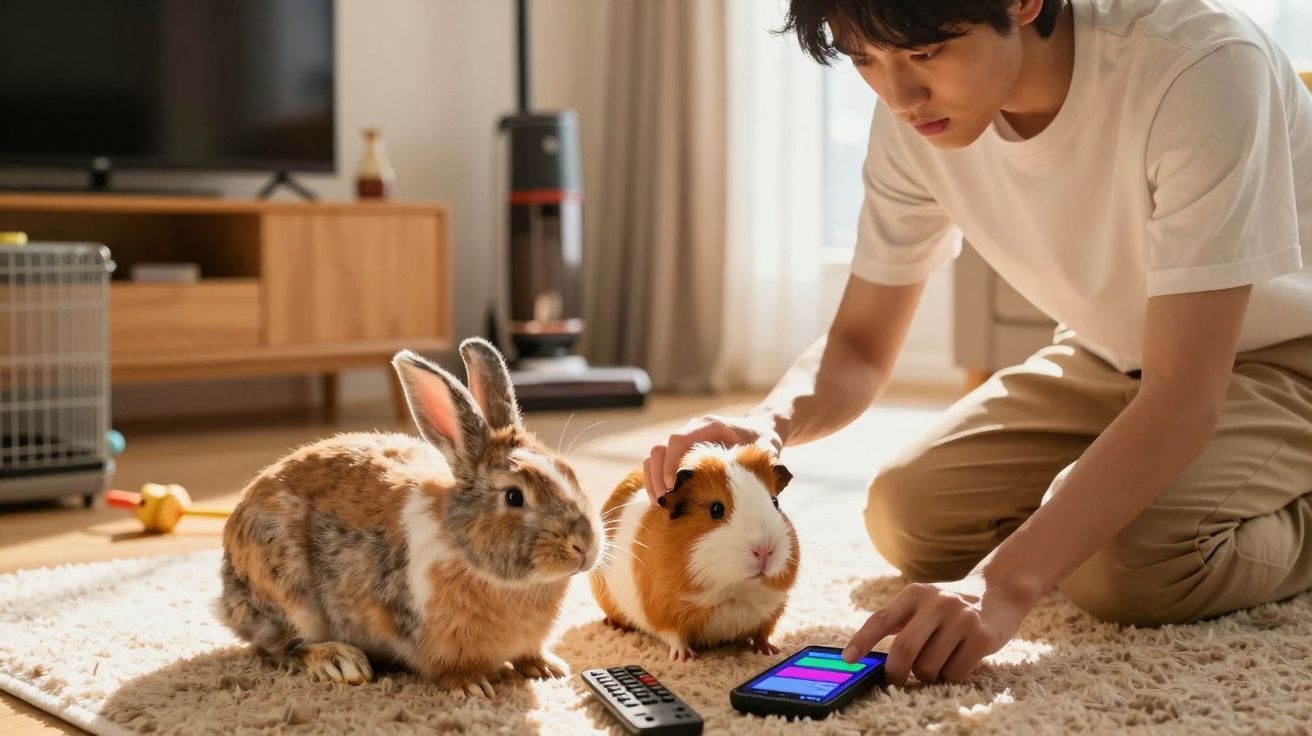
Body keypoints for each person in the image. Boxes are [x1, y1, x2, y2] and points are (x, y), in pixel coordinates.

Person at [643, 0, 1312, 688]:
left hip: (1286, 355)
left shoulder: (1199, 68)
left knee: (1125, 566)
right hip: (1113, 352)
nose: (899, 95)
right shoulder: (917, 122)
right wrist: (767, 424)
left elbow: (1182, 396)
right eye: (864, 60)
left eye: (925, 54)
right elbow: (860, 345)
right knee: (909, 514)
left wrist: (1002, 585)